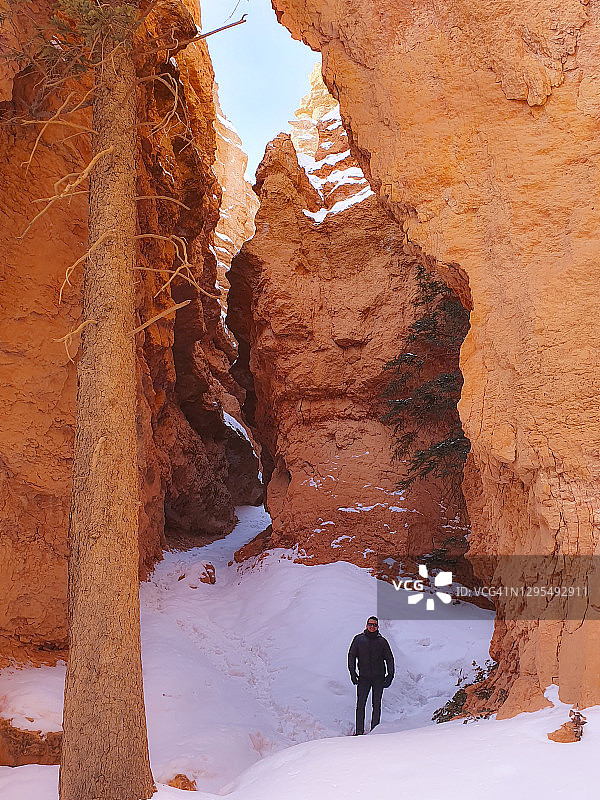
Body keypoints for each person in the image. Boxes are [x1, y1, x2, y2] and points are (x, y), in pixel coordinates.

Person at [347, 616, 394, 735]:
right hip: (363, 678)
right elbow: (351, 656)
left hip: (378, 677)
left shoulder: (382, 641)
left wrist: (390, 676)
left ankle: (375, 730)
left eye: (374, 625)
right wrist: (353, 673)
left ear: (377, 627)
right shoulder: (359, 639)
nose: (372, 627)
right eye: (370, 624)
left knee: (376, 704)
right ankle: (359, 731)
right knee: (360, 704)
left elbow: (389, 658)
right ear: (366, 625)